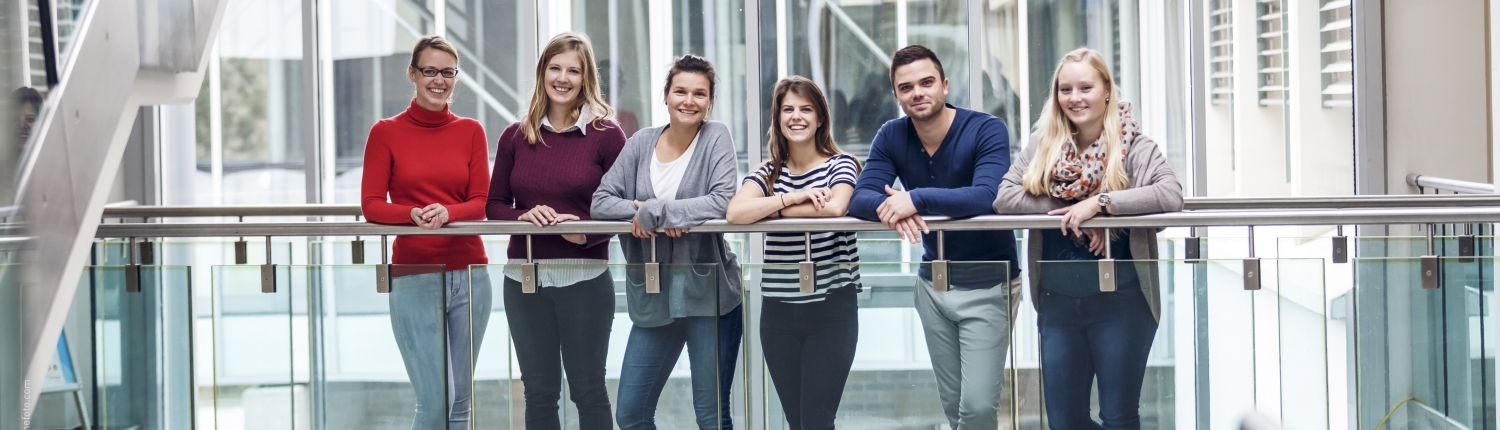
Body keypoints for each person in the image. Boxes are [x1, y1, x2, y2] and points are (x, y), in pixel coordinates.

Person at [992, 47, 1182, 429]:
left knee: (1118, 416)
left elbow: (1170, 194)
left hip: (1123, 303)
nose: (1074, 98)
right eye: (1065, 89)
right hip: (1058, 304)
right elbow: (1005, 197)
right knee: (1064, 421)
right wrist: (1075, 205)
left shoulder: (1134, 145)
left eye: (1085, 87)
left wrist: (1103, 205)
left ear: (1107, 90)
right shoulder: (1044, 144)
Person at [847, 44, 1020, 430]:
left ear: (944, 84)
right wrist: (892, 211)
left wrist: (915, 200)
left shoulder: (986, 128)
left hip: (990, 283)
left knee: (976, 408)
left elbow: (989, 196)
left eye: (926, 83)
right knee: (954, 406)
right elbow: (861, 196)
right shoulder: (892, 135)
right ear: (896, 95)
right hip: (933, 284)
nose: (918, 93)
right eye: (906, 87)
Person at [591, 54, 743, 430]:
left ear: (709, 101)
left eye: (699, 94)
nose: (688, 101)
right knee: (630, 413)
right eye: (680, 91)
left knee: (711, 416)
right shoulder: (641, 142)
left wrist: (655, 214)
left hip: (708, 296)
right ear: (666, 95)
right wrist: (649, 212)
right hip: (654, 296)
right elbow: (601, 202)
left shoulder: (716, 136)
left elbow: (723, 200)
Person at [485, 32, 624, 430]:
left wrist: (586, 235)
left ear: (586, 78)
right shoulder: (516, 135)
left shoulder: (607, 135)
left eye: (573, 71)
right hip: (524, 280)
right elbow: (494, 206)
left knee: (588, 390)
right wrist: (523, 217)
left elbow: (623, 207)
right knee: (539, 392)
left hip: (586, 279)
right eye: (555, 68)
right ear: (543, 72)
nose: (563, 78)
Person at [359, 35, 492, 430]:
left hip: (471, 274)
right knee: (434, 403)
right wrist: (412, 213)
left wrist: (448, 211)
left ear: (456, 78)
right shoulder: (385, 132)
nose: (439, 80)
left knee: (462, 404)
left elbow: (482, 201)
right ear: (413, 74)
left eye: (447, 73)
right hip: (415, 275)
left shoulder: (471, 131)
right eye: (430, 71)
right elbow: (371, 205)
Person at [726, 76, 862, 430]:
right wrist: (792, 197)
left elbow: (835, 209)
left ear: (820, 118)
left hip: (832, 310)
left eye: (806, 109)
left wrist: (774, 211)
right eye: (788, 109)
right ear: (778, 119)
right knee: (797, 422)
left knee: (817, 421)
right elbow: (736, 213)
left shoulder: (841, 163)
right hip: (778, 312)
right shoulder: (769, 173)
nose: (796, 117)